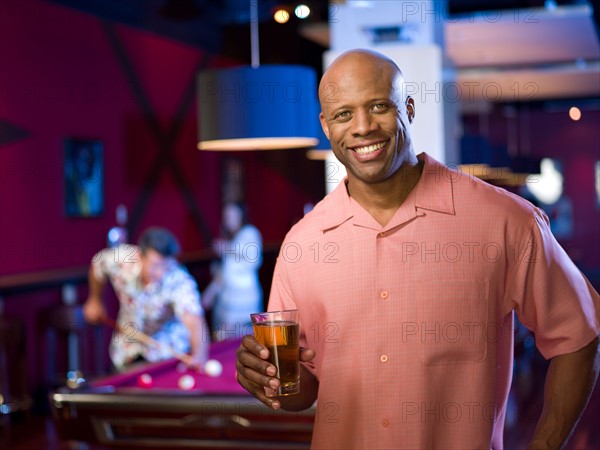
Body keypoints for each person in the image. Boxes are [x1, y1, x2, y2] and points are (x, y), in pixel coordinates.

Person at [235, 49, 600, 449]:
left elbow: (579, 337)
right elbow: (301, 391)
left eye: (378, 106)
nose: (362, 127)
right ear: (326, 125)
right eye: (343, 115)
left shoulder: (506, 220)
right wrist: (265, 377)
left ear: (408, 107)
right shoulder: (301, 245)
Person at [83, 227, 209, 371]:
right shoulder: (121, 259)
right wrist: (95, 300)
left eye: (166, 265)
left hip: (166, 357)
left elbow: (193, 318)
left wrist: (199, 355)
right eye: (155, 265)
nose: (161, 272)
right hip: (125, 351)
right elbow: (98, 265)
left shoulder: (179, 280)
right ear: (139, 256)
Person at [203, 202, 263, 341]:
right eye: (226, 215)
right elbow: (223, 274)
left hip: (244, 300)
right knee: (226, 340)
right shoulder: (231, 238)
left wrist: (225, 248)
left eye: (232, 214)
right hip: (227, 300)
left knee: (246, 340)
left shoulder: (249, 232)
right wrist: (210, 294)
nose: (229, 218)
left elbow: (252, 257)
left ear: (241, 216)